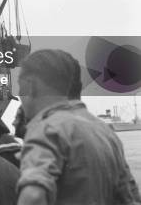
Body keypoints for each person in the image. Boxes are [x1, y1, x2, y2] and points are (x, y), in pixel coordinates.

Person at [16, 49, 141, 205]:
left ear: (30, 86)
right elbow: (131, 198)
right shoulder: (105, 132)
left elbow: (33, 197)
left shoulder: (46, 130)